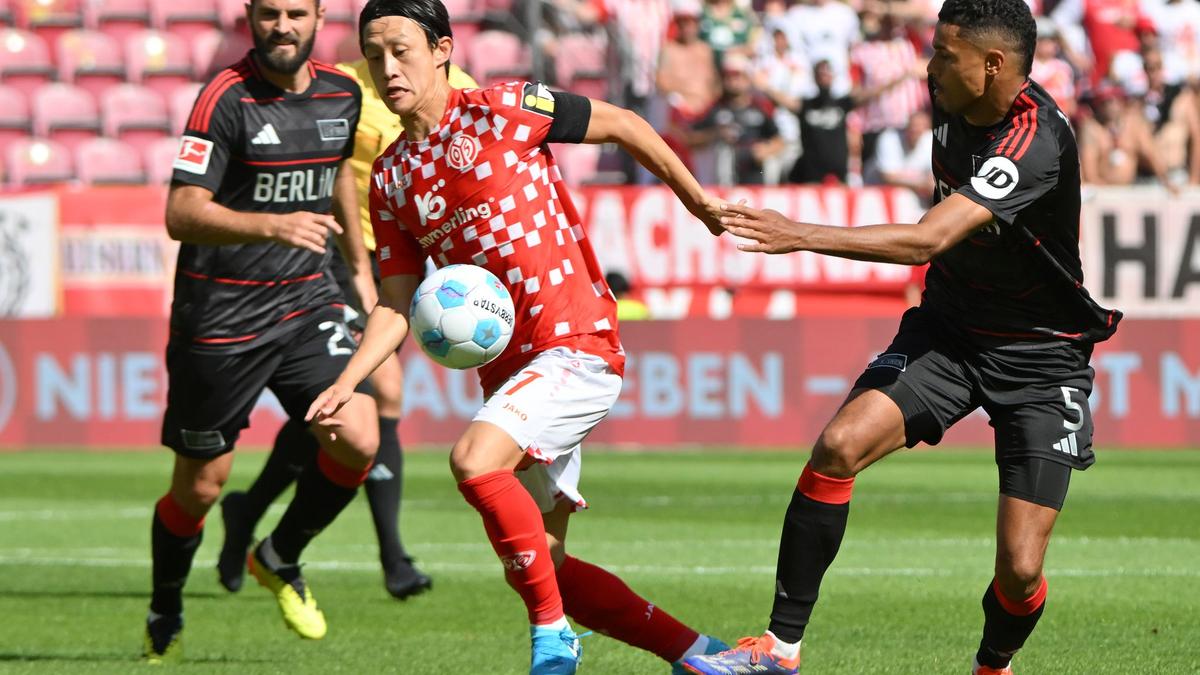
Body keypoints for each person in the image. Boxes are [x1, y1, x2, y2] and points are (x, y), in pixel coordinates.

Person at [685, 1, 1122, 674]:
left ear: (994, 65)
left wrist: (798, 233)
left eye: (945, 56)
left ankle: (992, 665)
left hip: (1041, 355)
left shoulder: (1035, 142)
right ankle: (778, 648)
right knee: (838, 445)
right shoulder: (950, 91)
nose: (929, 69)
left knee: (1020, 569)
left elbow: (927, 237)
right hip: (950, 330)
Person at [306, 2, 731, 674]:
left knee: (475, 460)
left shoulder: (504, 107)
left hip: (576, 340)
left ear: (443, 48)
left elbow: (620, 123)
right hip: (507, 372)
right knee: (545, 565)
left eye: (402, 50)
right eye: (374, 54)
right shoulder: (389, 178)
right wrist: (347, 378)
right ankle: (703, 656)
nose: (388, 67)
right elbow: (394, 301)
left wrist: (697, 199)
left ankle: (552, 638)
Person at [143, 0, 380, 662]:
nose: (283, 26)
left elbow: (336, 170)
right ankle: (166, 601)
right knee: (201, 488)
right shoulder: (223, 98)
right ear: (250, 14)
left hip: (307, 301)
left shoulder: (341, 93)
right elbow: (181, 211)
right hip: (220, 319)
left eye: (296, 13)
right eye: (270, 12)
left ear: (319, 15)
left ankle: (279, 554)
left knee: (358, 435)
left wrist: (357, 269)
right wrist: (271, 224)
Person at [213, 56, 480, 604]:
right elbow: (329, 170)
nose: (390, 58)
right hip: (337, 255)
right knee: (382, 393)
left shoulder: (462, 90)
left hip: (401, 262)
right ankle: (394, 559)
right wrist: (355, 268)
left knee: (338, 405)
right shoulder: (343, 86)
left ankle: (249, 508)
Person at [691, 52, 785, 185]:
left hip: (756, 171)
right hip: (725, 174)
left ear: (747, 78)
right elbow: (691, 139)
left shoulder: (760, 107)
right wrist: (715, 134)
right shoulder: (715, 108)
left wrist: (766, 150)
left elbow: (780, 140)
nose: (732, 81)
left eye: (737, 76)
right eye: (728, 77)